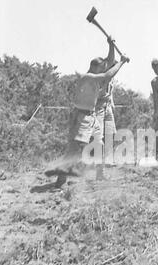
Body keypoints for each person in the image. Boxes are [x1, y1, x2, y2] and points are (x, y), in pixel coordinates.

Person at [45, 41, 129, 187]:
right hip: (82, 117)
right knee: (75, 149)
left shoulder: (95, 76)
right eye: (102, 68)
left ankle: (99, 174)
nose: (104, 69)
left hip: (91, 116)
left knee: (100, 144)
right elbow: (107, 74)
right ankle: (61, 178)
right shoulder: (88, 77)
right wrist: (121, 62)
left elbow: (108, 63)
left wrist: (111, 44)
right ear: (95, 67)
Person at [95, 36, 118, 180]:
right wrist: (111, 46)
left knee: (112, 136)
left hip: (107, 107)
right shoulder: (99, 75)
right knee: (99, 140)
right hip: (97, 108)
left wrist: (111, 45)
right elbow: (110, 61)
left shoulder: (110, 78)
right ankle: (99, 171)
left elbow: (110, 92)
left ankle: (106, 161)